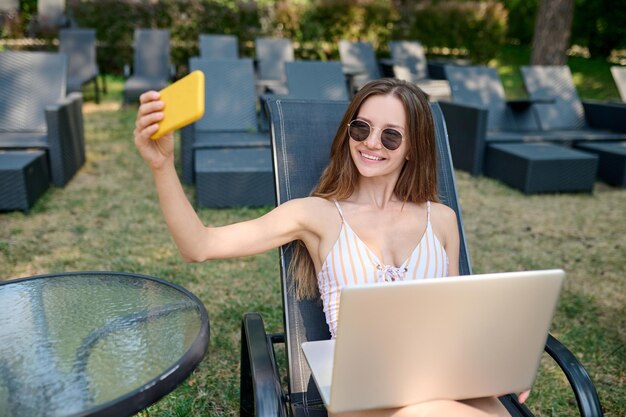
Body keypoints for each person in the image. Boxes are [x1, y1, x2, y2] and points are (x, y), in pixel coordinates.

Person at [134, 78, 528, 416]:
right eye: (361, 128)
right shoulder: (316, 215)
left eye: (390, 135)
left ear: (413, 147)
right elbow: (199, 245)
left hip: (437, 378)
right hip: (363, 393)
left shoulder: (440, 220)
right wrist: (161, 166)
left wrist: (495, 366)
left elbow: (453, 319)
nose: (371, 143)